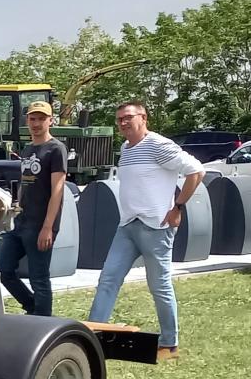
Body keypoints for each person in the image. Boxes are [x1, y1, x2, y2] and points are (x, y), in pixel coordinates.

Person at [87, 102, 204, 360]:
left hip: (156, 227)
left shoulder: (159, 145)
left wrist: (178, 207)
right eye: (119, 119)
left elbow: (196, 171)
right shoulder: (126, 148)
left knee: (159, 285)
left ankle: (169, 344)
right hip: (127, 225)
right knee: (108, 280)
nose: (123, 123)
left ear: (143, 117)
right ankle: (92, 338)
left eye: (128, 117)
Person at [0, 101, 68, 316]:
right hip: (21, 221)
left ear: (50, 121)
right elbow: (25, 183)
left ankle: (43, 320)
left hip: (40, 223)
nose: (36, 123)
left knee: (39, 278)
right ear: (27, 121)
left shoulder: (56, 149)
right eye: (32, 119)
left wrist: (48, 227)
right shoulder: (28, 149)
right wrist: (16, 206)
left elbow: (57, 191)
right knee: (5, 269)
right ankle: (32, 307)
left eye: (42, 119)